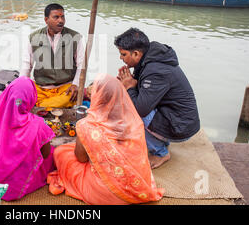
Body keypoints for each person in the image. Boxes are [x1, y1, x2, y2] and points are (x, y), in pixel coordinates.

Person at [48, 74, 164, 205]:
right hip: (137, 188)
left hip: (102, 194)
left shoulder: (87, 125)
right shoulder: (134, 122)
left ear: (98, 97)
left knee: (61, 152)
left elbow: (81, 158)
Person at [115, 28, 200, 169]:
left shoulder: (156, 70)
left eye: (123, 54)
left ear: (136, 53)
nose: (121, 58)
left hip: (181, 127)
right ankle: (161, 140)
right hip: (175, 117)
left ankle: (161, 153)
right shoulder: (148, 59)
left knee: (130, 112)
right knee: (129, 102)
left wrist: (129, 87)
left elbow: (140, 110)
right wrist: (128, 82)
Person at [0, 76, 56, 201]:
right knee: (52, 153)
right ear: (31, 98)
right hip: (14, 185)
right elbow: (45, 155)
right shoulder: (38, 125)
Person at [20, 3, 85, 109]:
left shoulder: (75, 37)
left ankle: (40, 105)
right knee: (20, 97)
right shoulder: (33, 37)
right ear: (46, 20)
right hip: (41, 88)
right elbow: (27, 65)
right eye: (56, 17)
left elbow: (81, 65)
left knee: (71, 97)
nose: (61, 20)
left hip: (65, 88)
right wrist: (21, 86)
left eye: (62, 17)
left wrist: (76, 84)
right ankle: (46, 104)